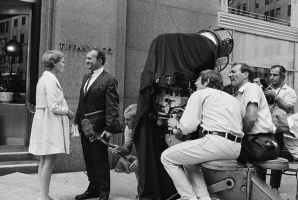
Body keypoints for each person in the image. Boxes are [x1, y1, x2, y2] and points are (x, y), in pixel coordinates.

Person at [161, 70, 245, 200]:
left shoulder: (200, 94)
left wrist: (176, 126)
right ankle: (204, 197)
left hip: (216, 143)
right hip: (235, 148)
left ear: (206, 82)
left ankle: (188, 198)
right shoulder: (234, 99)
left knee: (166, 157)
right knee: (190, 162)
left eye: (198, 80)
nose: (195, 83)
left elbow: (188, 126)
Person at [74, 49, 121, 200]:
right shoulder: (86, 77)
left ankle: (103, 193)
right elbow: (82, 102)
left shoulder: (109, 79)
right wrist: (76, 122)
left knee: (100, 160)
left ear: (100, 61)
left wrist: (109, 129)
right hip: (84, 128)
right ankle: (93, 188)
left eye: (90, 58)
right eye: (86, 58)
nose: (86, 61)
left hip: (100, 129)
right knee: (89, 159)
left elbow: (112, 106)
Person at [28, 50, 74, 200]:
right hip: (49, 122)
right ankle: (44, 197)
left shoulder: (44, 78)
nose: (64, 64)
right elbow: (54, 106)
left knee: (44, 159)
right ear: (53, 63)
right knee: (49, 160)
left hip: (44, 121)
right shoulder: (50, 79)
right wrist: (68, 111)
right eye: (61, 61)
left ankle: (44, 195)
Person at [229, 63, 276, 180]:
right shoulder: (240, 93)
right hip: (255, 142)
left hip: (259, 143)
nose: (229, 75)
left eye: (233, 72)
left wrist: (236, 134)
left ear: (245, 74)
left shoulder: (251, 88)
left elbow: (250, 118)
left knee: (218, 151)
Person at [264, 65, 297, 191]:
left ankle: (274, 188)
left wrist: (276, 96)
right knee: (259, 158)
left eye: (275, 75)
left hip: (278, 131)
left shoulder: (290, 92)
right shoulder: (264, 89)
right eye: (270, 74)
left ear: (283, 76)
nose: (271, 77)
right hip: (263, 129)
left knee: (276, 160)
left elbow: (288, 108)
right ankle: (258, 185)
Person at [110, 104, 139, 181]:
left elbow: (154, 150)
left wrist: (140, 160)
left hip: (157, 156)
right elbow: (127, 149)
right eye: (125, 119)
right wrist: (120, 149)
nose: (125, 122)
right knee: (135, 165)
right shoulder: (129, 128)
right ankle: (142, 191)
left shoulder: (146, 129)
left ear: (137, 119)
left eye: (128, 119)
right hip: (143, 155)